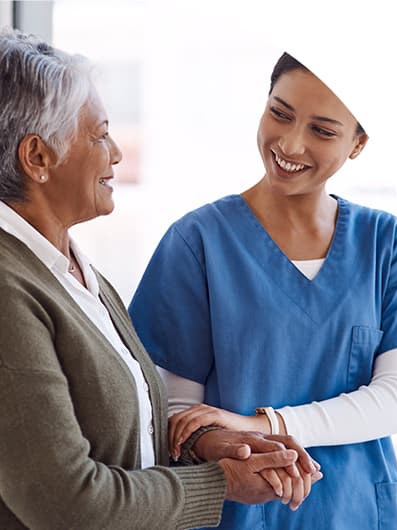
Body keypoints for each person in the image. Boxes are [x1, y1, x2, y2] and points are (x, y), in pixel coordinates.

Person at [0, 29, 323, 530]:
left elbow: (120, 427)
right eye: (100, 134)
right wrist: (223, 482)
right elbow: (68, 504)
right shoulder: (8, 289)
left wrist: (206, 444)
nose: (116, 153)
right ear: (38, 157)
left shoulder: (74, 270)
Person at [129, 51, 397, 530]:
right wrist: (228, 440)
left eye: (322, 131)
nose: (290, 143)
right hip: (239, 511)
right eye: (279, 113)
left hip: (358, 510)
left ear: (358, 143)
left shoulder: (383, 243)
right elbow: (176, 412)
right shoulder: (198, 242)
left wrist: (268, 424)